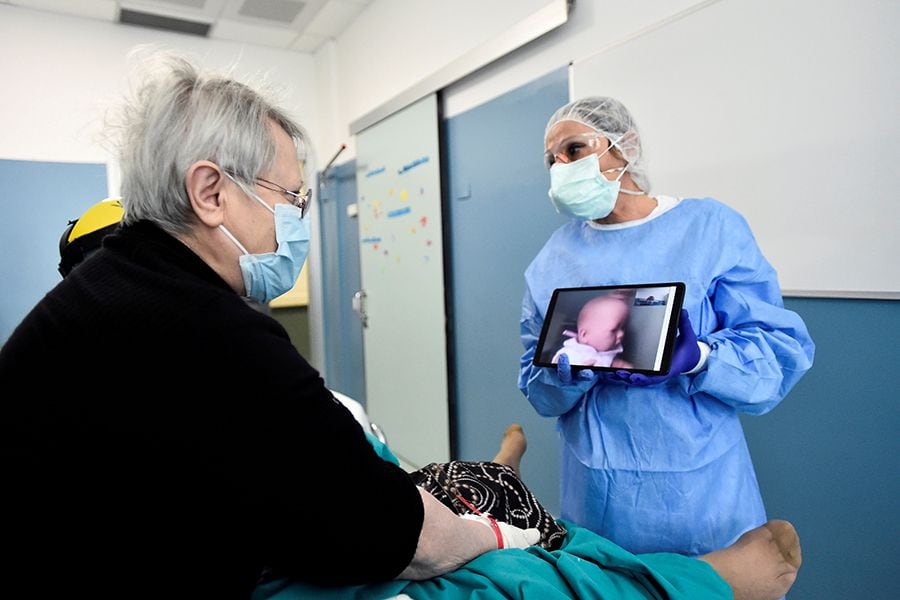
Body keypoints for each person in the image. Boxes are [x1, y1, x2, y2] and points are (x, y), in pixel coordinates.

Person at [0, 49, 540, 598]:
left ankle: (502, 467)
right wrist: (499, 538)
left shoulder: (103, 288)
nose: (299, 220)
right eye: (291, 198)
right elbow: (403, 538)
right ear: (211, 193)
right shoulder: (212, 333)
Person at [518, 96, 816, 558]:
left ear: (625, 145)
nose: (560, 165)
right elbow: (537, 389)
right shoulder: (551, 262)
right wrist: (565, 374)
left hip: (701, 491)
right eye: (552, 159)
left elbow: (777, 349)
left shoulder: (708, 229)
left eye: (574, 149)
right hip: (595, 492)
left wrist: (700, 358)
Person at [259, 423, 803, 600]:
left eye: (575, 149)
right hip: (361, 529)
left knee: (453, 492)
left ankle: (503, 468)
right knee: (535, 564)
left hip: (388, 502)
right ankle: (711, 577)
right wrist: (506, 540)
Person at [551, 293, 633, 368]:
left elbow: (607, 360)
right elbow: (554, 372)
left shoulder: (610, 350)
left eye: (622, 328)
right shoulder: (570, 353)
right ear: (584, 335)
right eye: (614, 330)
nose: (621, 334)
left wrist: (617, 364)